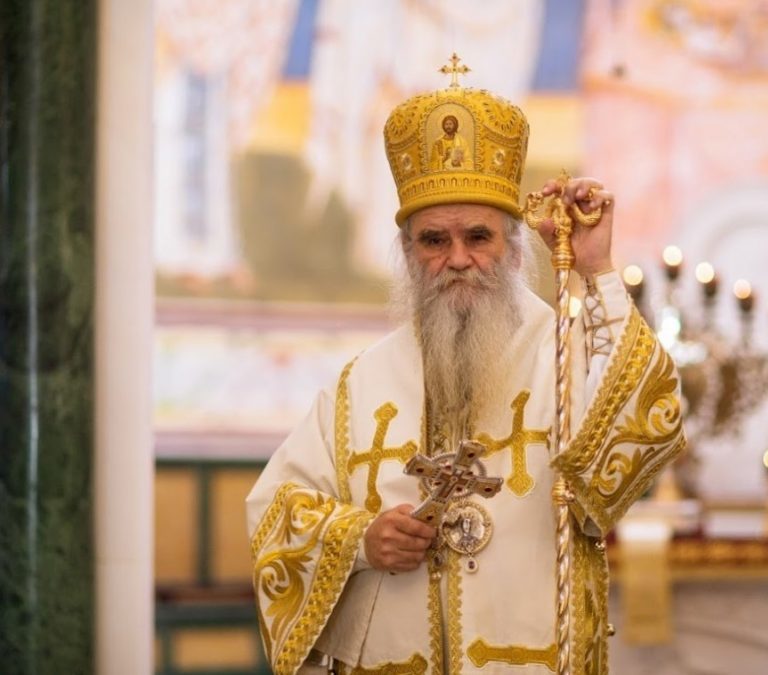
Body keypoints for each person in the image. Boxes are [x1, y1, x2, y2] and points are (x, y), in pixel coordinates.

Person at [246, 61, 685, 675]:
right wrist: (361, 539)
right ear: (407, 253)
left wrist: (595, 269)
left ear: (514, 248)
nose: (457, 259)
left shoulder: (566, 353)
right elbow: (275, 509)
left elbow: (648, 424)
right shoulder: (361, 383)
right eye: (434, 241)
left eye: (478, 237)